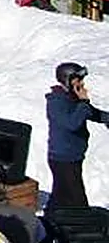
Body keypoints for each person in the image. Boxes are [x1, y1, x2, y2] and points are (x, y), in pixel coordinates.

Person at [46, 61, 109, 215]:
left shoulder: (72, 98)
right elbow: (72, 123)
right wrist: (83, 102)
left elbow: (90, 112)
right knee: (78, 201)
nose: (82, 83)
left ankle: (50, 222)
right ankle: (86, 229)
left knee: (60, 195)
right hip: (63, 159)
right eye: (78, 80)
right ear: (67, 80)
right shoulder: (56, 102)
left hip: (73, 157)